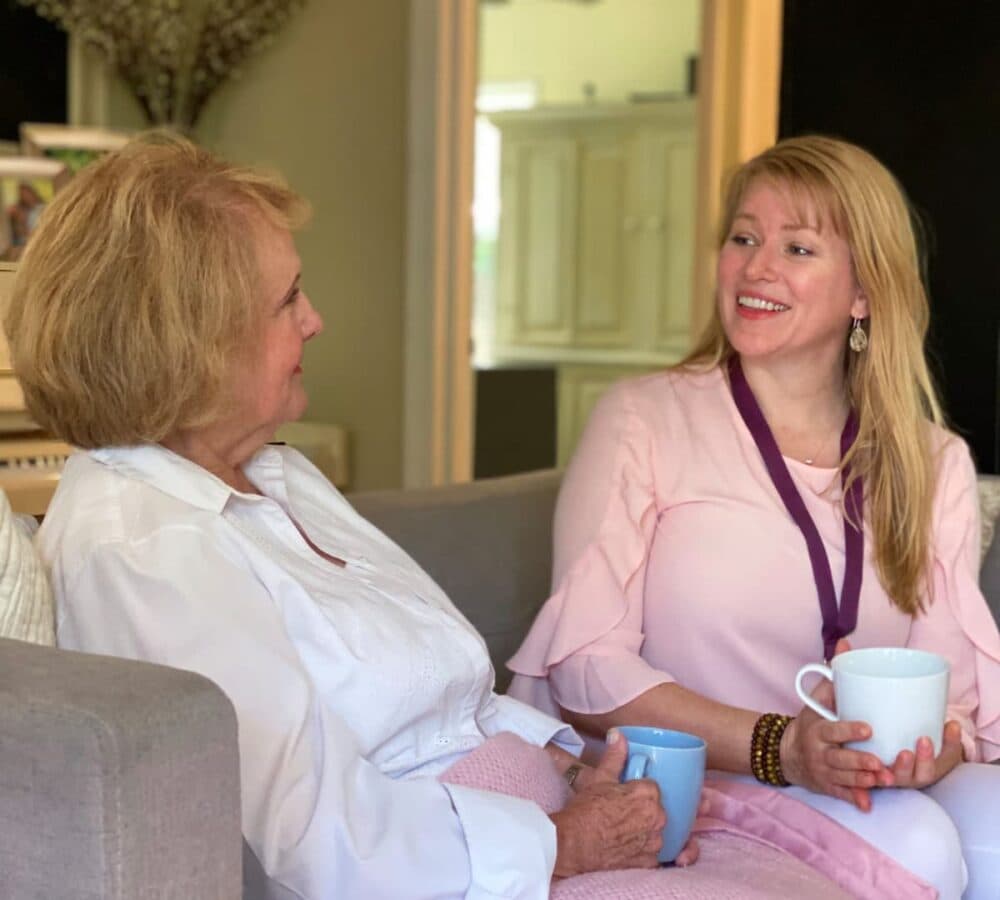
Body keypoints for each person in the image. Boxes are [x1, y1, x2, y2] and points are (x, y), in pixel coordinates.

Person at [3, 133, 695, 900]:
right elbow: (308, 839)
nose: (316, 321)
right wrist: (565, 843)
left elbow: (447, 703)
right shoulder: (144, 550)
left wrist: (573, 768)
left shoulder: (274, 470)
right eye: (287, 300)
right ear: (195, 350)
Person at [508, 135, 1000, 900]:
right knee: (926, 851)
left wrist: (930, 751)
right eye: (743, 237)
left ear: (864, 295)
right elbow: (585, 668)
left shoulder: (935, 465)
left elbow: (956, 698)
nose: (757, 267)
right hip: (674, 779)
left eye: (797, 247)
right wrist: (781, 748)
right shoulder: (644, 418)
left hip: (839, 782)